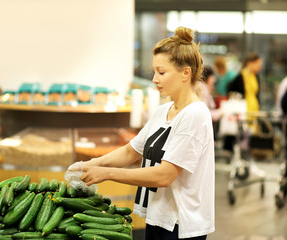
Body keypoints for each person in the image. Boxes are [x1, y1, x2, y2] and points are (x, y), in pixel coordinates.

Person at [68, 26, 215, 240]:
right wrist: (92, 163)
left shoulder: (195, 114)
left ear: (186, 73)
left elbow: (165, 175)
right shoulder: (163, 111)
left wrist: (107, 174)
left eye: (161, 72)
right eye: (155, 71)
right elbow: (130, 152)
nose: (155, 79)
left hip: (180, 226)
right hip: (157, 218)